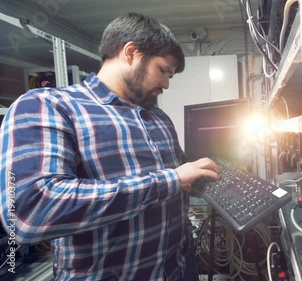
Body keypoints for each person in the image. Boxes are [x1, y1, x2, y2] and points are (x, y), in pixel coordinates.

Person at [0, 12, 220, 281]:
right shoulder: (49, 106)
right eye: (163, 70)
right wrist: (170, 180)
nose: (165, 84)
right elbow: (29, 212)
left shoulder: (158, 118)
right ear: (131, 53)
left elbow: (181, 185)